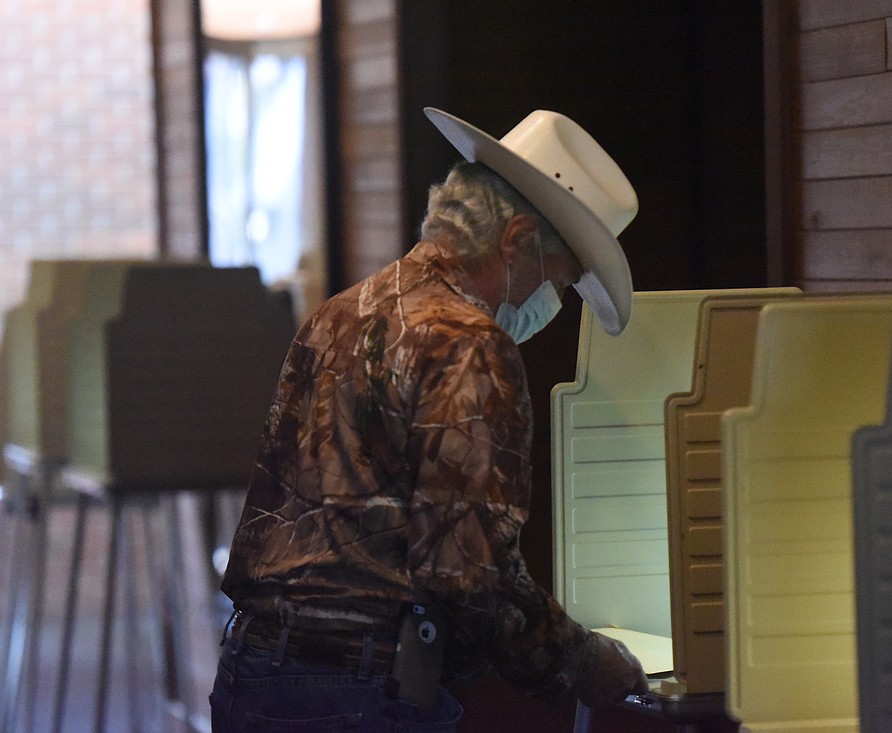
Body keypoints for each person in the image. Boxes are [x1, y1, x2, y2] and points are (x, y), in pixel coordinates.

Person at [209, 107, 649, 731]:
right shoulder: (468, 343)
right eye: (560, 278)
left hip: (252, 671)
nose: (552, 302)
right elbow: (467, 572)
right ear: (518, 242)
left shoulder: (340, 312)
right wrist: (579, 657)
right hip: (358, 693)